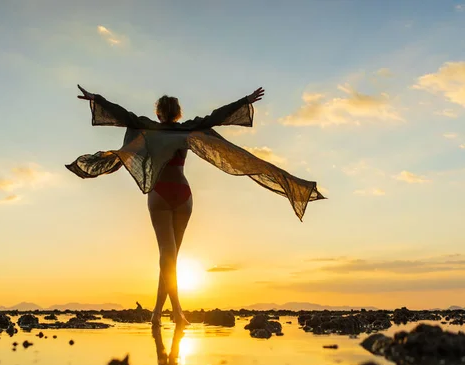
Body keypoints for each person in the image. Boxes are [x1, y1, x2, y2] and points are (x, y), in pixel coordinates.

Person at [69, 85, 325, 326]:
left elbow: (123, 115)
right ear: (178, 113)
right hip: (183, 195)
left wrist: (97, 99)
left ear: (158, 113)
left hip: (160, 194)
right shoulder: (188, 129)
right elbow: (215, 117)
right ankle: (161, 313)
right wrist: (244, 101)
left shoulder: (148, 127)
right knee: (170, 258)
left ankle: (171, 312)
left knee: (167, 257)